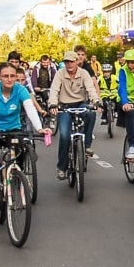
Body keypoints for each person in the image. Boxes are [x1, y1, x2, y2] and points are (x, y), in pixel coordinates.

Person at [0, 62, 50, 221]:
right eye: (5, 76)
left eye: (12, 76)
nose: (10, 79)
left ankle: (16, 176)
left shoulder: (20, 90)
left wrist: (39, 128)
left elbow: (29, 108)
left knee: (22, 148)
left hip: (13, 129)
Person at [48, 51, 101, 180]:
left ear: (77, 61)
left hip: (80, 104)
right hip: (64, 106)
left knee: (91, 114)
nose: (69, 64)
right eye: (66, 62)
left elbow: (90, 89)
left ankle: (87, 145)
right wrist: (53, 104)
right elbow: (54, 90)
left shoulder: (84, 73)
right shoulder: (60, 74)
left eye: (71, 61)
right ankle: (61, 167)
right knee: (65, 136)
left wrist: (96, 101)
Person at [117, 49, 134, 160]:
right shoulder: (123, 71)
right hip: (129, 101)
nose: (130, 65)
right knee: (131, 115)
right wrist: (125, 103)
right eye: (128, 62)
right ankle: (132, 145)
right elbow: (122, 88)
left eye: (133, 62)